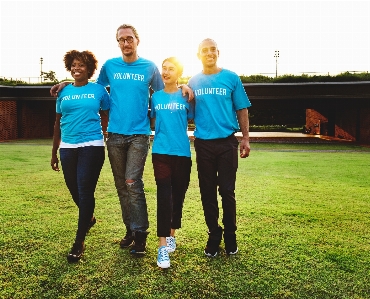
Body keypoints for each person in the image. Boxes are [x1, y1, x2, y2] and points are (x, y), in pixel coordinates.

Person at [50, 24, 193, 255]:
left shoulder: (149, 67)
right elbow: (91, 88)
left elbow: (165, 90)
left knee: (132, 182)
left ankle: (141, 235)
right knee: (120, 186)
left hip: (139, 134)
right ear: (117, 43)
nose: (125, 43)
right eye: (121, 40)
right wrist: (67, 84)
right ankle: (129, 229)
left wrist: (185, 84)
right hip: (115, 135)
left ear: (137, 40)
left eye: (129, 39)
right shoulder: (110, 66)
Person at [188, 38, 251, 257]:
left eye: (212, 49)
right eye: (204, 50)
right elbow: (186, 109)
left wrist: (245, 138)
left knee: (226, 190)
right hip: (203, 144)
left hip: (226, 142)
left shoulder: (231, 78)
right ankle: (214, 234)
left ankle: (231, 236)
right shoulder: (193, 81)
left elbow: (242, 108)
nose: (209, 53)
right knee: (207, 192)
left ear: (218, 52)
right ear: (199, 55)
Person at [51, 50, 110, 262]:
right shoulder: (63, 92)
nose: (77, 68)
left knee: (84, 188)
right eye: (74, 65)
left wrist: (106, 136)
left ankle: (79, 241)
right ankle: (90, 217)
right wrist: (54, 152)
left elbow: (106, 114)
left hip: (92, 145)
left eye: (82, 65)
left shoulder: (99, 90)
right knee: (73, 187)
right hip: (67, 146)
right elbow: (57, 122)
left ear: (89, 68)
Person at [150, 57, 194, 268]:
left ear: (179, 73)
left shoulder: (186, 95)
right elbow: (152, 120)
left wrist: (186, 86)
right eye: (164, 69)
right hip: (160, 152)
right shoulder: (155, 97)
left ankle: (172, 234)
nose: (166, 72)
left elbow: (194, 117)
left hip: (183, 154)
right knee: (163, 196)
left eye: (171, 69)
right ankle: (161, 246)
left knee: (178, 196)